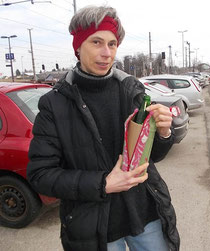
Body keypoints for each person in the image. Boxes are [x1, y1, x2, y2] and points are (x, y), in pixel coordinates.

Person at [27, 5, 180, 251]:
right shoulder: (55, 104)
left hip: (146, 215)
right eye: (96, 42)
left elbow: (151, 157)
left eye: (112, 44)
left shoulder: (131, 90)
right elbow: (40, 176)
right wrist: (103, 183)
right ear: (78, 47)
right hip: (97, 229)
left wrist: (164, 134)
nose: (106, 53)